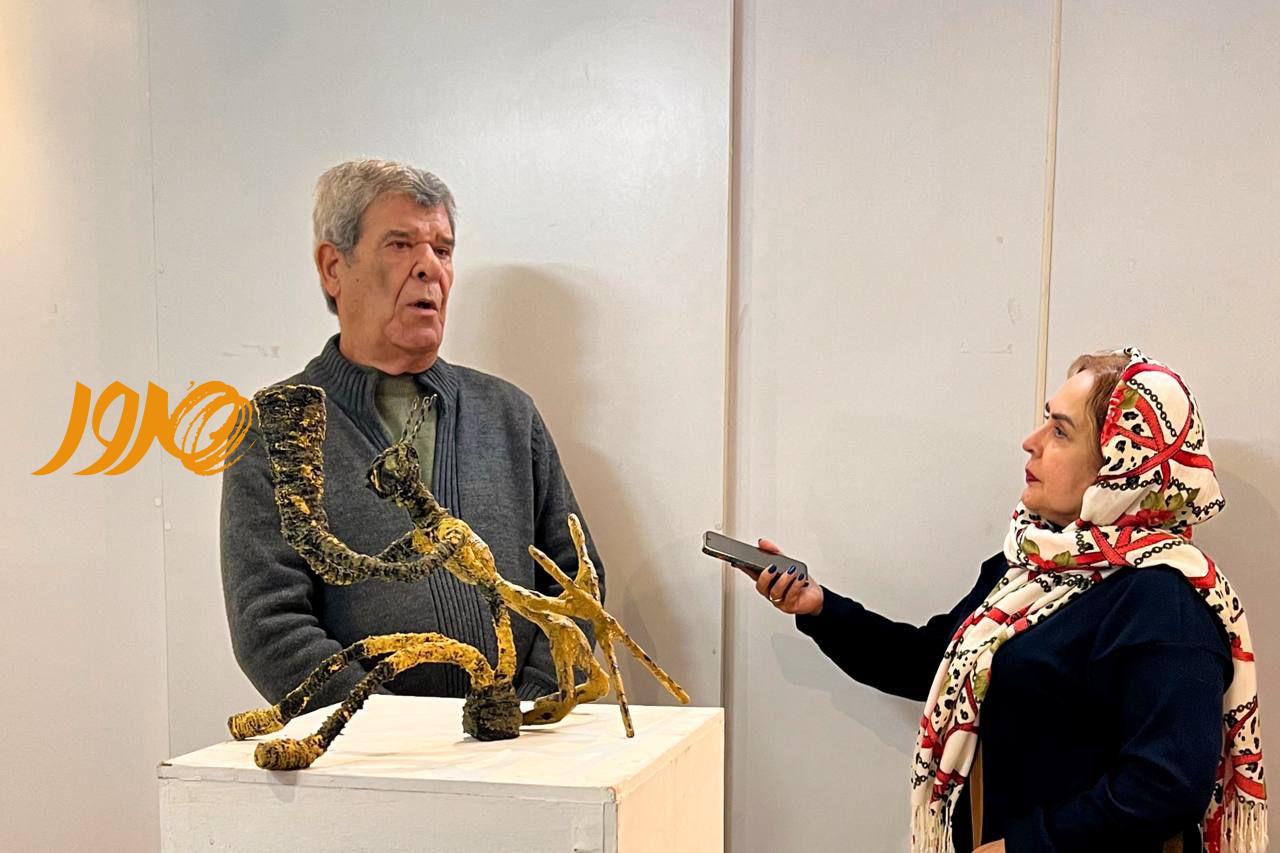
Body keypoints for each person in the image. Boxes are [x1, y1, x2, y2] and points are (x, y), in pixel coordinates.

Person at [751, 350, 1266, 853]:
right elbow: (931, 663)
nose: (1031, 442)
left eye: (1060, 432)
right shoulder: (1028, 569)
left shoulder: (1163, 602)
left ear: (1119, 468)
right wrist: (819, 608)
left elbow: (1167, 785)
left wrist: (1023, 845)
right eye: (1046, 422)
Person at [221, 159, 602, 709]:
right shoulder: (274, 427)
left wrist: (530, 708)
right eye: (400, 245)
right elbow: (270, 624)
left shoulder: (508, 414)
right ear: (333, 267)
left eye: (442, 250)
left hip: (524, 743)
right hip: (368, 752)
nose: (429, 268)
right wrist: (386, 729)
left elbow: (575, 578)